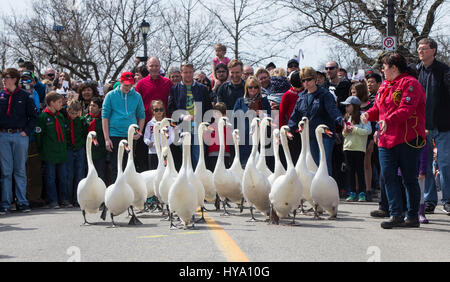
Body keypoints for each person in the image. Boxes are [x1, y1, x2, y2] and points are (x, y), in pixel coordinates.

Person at [362, 52, 426, 229]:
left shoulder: (411, 84)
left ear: (394, 67)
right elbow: (378, 108)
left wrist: (387, 120)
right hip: (386, 139)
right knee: (388, 176)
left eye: (384, 66)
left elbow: (406, 109)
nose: (382, 69)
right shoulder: (384, 85)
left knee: (409, 179)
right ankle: (395, 213)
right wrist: (369, 114)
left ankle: (412, 216)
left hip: (408, 138)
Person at [288, 67, 344, 176]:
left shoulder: (325, 94)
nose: (306, 83)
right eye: (303, 80)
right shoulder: (301, 97)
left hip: (325, 135)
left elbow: (333, 111)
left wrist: (342, 121)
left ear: (314, 79)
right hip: (310, 136)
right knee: (313, 165)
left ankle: (328, 191)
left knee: (324, 164)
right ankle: (317, 191)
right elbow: (295, 117)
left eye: (308, 79)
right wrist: (289, 130)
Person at [416, 38, 450, 215]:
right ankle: (429, 200)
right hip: (422, 126)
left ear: (433, 51)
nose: (421, 51)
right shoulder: (416, 71)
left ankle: (448, 200)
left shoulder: (444, 71)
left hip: (443, 125)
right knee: (425, 165)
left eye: (424, 48)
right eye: (419, 48)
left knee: (444, 163)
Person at [0, 68, 38, 214]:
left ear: (15, 79)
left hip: (20, 136)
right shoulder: (1, 96)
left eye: (7, 77)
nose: (4, 80)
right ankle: (6, 203)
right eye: (3, 77)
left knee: (20, 170)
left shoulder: (25, 96)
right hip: (3, 136)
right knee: (5, 172)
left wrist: (26, 132)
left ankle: (22, 202)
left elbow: (33, 117)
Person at [102, 71, 146, 182]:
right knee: (117, 166)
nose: (128, 87)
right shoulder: (110, 96)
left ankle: (128, 194)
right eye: (126, 84)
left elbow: (141, 115)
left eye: (130, 84)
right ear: (120, 82)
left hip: (130, 137)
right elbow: (105, 117)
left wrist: (139, 132)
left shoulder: (137, 96)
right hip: (115, 135)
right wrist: (107, 139)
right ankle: (115, 195)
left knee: (129, 166)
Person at [168, 63, 212, 169]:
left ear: (193, 72)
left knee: (198, 158)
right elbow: (171, 109)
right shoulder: (175, 89)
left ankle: (198, 182)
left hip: (198, 128)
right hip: (183, 128)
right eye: (185, 72)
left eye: (190, 72)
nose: (188, 75)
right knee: (185, 158)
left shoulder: (202, 89)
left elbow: (208, 108)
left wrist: (207, 125)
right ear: (181, 73)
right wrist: (182, 117)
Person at [135, 57, 173, 172]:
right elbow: (137, 105)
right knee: (144, 158)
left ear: (160, 67)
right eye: (151, 66)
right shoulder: (141, 84)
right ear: (147, 67)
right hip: (146, 124)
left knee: (164, 157)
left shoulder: (167, 83)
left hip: (164, 125)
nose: (154, 68)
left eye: (156, 65)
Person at [35, 91, 69, 209]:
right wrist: (43, 150)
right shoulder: (43, 117)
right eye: (59, 102)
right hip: (49, 153)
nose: (62, 104)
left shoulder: (60, 116)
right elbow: (38, 136)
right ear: (51, 103)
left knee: (63, 177)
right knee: (50, 178)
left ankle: (64, 199)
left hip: (61, 152)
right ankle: (53, 200)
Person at [233, 76, 271, 166]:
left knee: (260, 167)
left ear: (259, 88)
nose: (253, 89)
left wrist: (262, 114)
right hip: (244, 139)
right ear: (246, 88)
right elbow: (234, 118)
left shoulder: (264, 101)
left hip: (261, 139)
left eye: (255, 87)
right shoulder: (240, 101)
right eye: (250, 87)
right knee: (245, 167)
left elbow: (271, 118)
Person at [341, 96, 371, 202]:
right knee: (350, 171)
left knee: (360, 171)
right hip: (348, 148)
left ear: (354, 106)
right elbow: (344, 134)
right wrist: (345, 130)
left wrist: (354, 129)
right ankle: (352, 192)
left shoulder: (363, 116)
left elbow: (368, 131)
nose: (346, 108)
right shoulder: (347, 117)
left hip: (359, 148)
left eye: (348, 105)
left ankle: (362, 193)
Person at [351, 82, 375, 201]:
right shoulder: (352, 105)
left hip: (367, 137)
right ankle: (357, 189)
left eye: (354, 92)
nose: (353, 94)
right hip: (355, 139)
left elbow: (374, 122)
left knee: (366, 164)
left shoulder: (369, 105)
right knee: (355, 164)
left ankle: (368, 189)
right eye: (351, 93)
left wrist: (371, 141)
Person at [65, 100, 88, 207]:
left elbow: (84, 134)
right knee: (69, 175)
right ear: (67, 111)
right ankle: (68, 199)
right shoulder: (64, 121)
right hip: (69, 149)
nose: (74, 115)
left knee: (80, 174)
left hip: (79, 149)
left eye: (76, 113)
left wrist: (82, 144)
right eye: (72, 113)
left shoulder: (82, 121)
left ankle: (77, 199)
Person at [279, 71, 303, 167]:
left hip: (304, 130)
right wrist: (282, 131)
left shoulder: (306, 93)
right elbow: (281, 114)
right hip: (292, 131)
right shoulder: (287, 95)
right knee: (294, 157)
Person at [144, 100, 174, 170]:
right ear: (152, 111)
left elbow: (172, 137)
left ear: (164, 110)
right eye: (156, 110)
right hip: (153, 152)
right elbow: (145, 137)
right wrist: (149, 143)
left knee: (165, 171)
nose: (159, 112)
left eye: (161, 109)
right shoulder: (150, 124)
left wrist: (165, 145)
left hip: (165, 152)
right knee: (153, 171)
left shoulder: (167, 123)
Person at [85, 97, 107, 182]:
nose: (91, 107)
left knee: (100, 174)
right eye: (90, 105)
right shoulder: (85, 119)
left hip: (100, 152)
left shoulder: (103, 120)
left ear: (100, 108)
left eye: (94, 106)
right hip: (88, 151)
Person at [205, 102, 231, 171]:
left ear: (225, 114)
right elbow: (207, 140)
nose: (219, 115)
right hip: (213, 155)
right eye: (216, 112)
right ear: (213, 114)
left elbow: (230, 139)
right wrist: (206, 132)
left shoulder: (227, 125)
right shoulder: (210, 126)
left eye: (222, 113)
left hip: (225, 154)